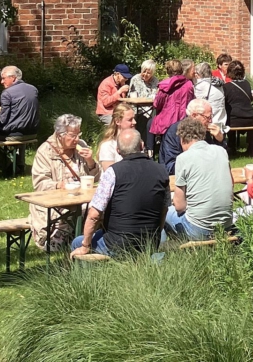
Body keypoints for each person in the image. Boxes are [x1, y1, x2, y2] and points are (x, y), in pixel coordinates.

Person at [70, 128, 170, 258]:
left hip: (118, 244)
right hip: (149, 243)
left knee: (77, 242)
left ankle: (85, 278)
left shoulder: (113, 172)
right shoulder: (161, 171)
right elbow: (164, 209)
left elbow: (94, 215)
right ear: (142, 145)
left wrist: (85, 245)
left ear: (118, 150)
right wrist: (155, 236)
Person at [29, 114, 101, 251]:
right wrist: (58, 185)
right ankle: (68, 241)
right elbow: (39, 183)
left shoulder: (81, 146)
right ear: (60, 135)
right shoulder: (45, 151)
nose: (77, 139)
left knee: (98, 209)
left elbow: (95, 179)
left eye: (78, 134)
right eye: (73, 135)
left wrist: (91, 162)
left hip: (81, 200)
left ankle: (87, 240)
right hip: (56, 204)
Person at [164, 117, 234, 240]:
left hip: (199, 229)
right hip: (226, 225)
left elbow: (179, 206)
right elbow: (231, 185)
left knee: (165, 212)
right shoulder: (221, 151)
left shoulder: (183, 158)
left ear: (182, 138)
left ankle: (167, 248)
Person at [0, 65, 40, 173]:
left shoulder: (7, 93)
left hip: (16, 134)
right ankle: (20, 164)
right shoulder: (33, 89)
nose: (1, 82)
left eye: (4, 78)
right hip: (33, 132)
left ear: (13, 78)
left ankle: (8, 165)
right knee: (20, 130)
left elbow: (3, 119)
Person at [159, 99, 226, 175]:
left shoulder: (205, 130)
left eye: (211, 116)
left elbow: (220, 159)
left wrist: (220, 140)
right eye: (207, 117)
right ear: (194, 115)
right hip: (179, 177)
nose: (210, 121)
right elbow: (170, 166)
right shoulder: (175, 132)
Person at [150, 59, 194, 138]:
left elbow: (157, 104)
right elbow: (191, 102)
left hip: (166, 122)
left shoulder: (164, 85)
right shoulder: (189, 84)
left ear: (168, 71)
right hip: (183, 122)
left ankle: (150, 149)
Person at [223, 60, 253, 152]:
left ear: (229, 72)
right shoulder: (247, 84)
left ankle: (232, 146)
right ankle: (250, 148)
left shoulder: (226, 87)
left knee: (228, 119)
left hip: (234, 120)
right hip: (250, 118)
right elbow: (250, 98)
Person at [127, 60, 159, 154]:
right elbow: (132, 96)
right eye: (143, 71)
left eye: (148, 73)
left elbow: (155, 95)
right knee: (141, 122)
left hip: (150, 109)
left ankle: (149, 150)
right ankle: (139, 149)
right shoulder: (135, 79)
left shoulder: (155, 80)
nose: (145, 74)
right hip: (137, 108)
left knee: (151, 122)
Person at [97, 103, 137, 171]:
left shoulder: (137, 143)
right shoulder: (108, 146)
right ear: (118, 121)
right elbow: (110, 173)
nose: (134, 122)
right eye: (130, 120)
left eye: (134, 118)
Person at [193, 62, 226, 127]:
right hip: (221, 120)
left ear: (198, 74)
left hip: (208, 122)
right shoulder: (218, 83)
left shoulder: (200, 86)